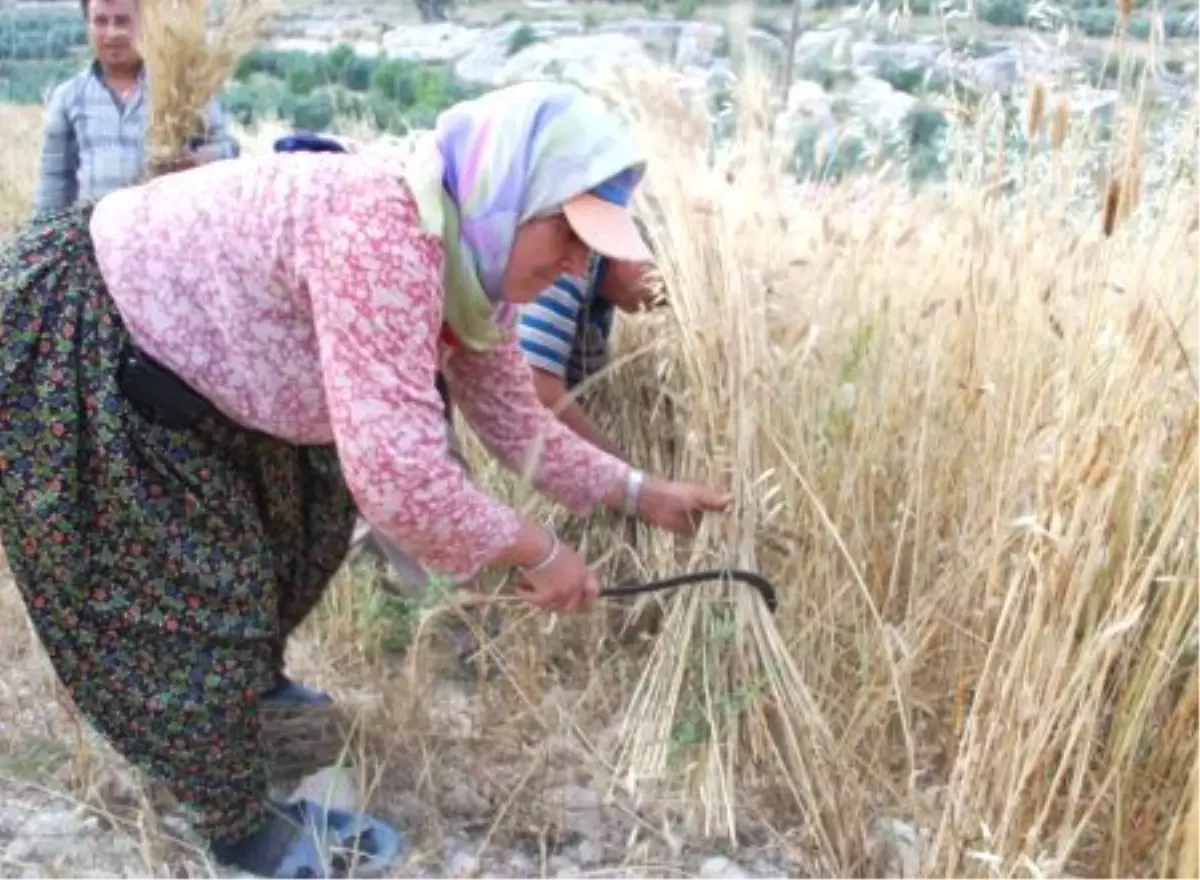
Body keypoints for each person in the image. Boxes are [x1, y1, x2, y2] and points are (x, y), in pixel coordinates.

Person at [0, 81, 731, 877]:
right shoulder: (385, 233)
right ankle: (234, 821)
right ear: (510, 195)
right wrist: (538, 551)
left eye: (593, 247)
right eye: (567, 232)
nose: (576, 263)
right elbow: (402, 482)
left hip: (203, 383)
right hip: (99, 338)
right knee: (198, 587)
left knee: (293, 536)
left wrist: (641, 494)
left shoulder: (474, 271)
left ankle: (247, 714)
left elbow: (519, 426)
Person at [32, 0, 240, 217]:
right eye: (101, 21)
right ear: (88, 25)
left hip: (166, 232)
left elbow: (229, 150)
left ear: (145, 23)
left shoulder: (181, 89)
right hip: (97, 239)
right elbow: (53, 187)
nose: (112, 33)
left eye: (122, 21)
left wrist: (198, 161)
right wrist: (39, 243)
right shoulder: (68, 98)